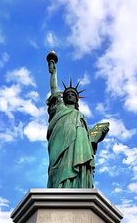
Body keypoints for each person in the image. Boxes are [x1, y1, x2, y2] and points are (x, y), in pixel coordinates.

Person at [46, 51, 109, 188]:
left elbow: (89, 141)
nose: (69, 95)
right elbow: (54, 89)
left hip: (78, 148)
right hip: (60, 143)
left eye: (73, 94)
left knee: (79, 163)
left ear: (77, 99)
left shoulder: (81, 117)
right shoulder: (59, 109)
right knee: (60, 168)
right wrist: (53, 73)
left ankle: (78, 185)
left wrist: (97, 134)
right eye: (67, 94)